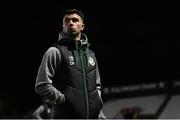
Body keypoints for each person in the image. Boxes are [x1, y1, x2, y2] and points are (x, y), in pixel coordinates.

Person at [35, 8, 106, 119]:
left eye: (75, 20)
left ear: (82, 26)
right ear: (63, 26)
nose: (70, 23)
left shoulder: (91, 54)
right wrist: (64, 100)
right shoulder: (54, 51)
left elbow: (97, 85)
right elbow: (42, 84)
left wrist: (97, 102)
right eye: (67, 21)